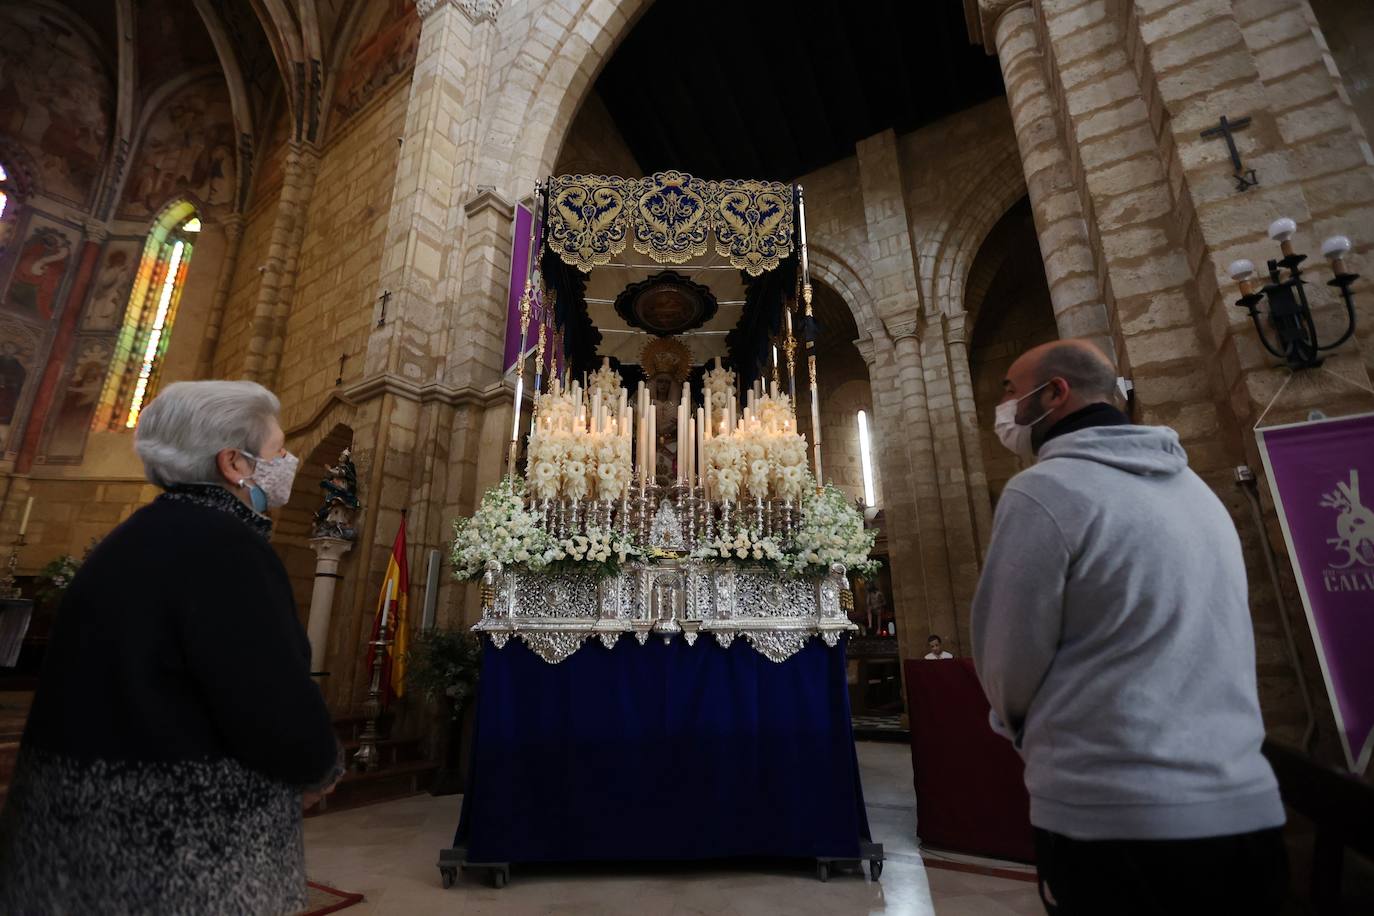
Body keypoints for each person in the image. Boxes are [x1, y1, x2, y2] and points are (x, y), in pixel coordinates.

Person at [0, 380, 343, 914]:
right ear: (235, 463)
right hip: (180, 849)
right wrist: (318, 765)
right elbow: (270, 700)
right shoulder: (229, 548)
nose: (289, 462)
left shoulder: (127, 540)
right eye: (279, 451)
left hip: (75, 835)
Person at [971, 340, 1285, 915]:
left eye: (1013, 393)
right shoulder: (1198, 490)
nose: (1007, 410)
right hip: (1246, 806)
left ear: (1055, 393)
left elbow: (1006, 663)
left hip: (1117, 814)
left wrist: (1029, 735)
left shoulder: (1044, 490)